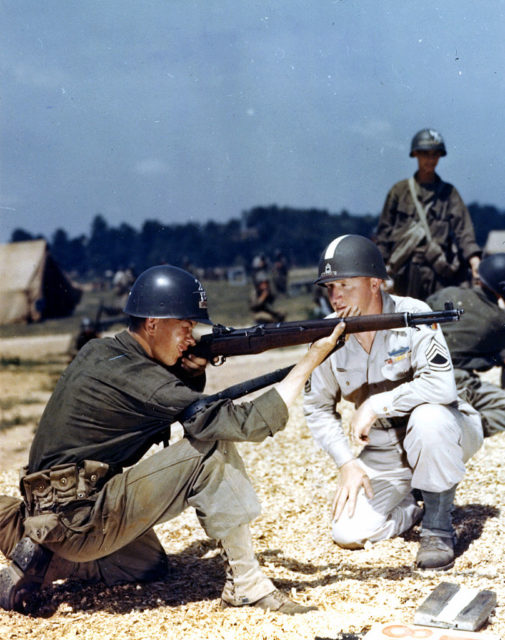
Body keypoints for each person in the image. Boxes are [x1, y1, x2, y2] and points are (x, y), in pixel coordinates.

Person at [0, 264, 343, 615]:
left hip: (51, 510)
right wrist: (311, 360)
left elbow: (156, 397)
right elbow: (242, 423)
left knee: (147, 564)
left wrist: (188, 373)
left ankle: (46, 561)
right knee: (211, 446)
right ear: (153, 324)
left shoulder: (99, 352)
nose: (191, 338)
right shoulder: (141, 377)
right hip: (81, 519)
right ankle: (247, 584)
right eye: (184, 327)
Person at [303, 235, 483, 570]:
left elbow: (441, 387)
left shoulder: (412, 314)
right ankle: (414, 507)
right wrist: (346, 462)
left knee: (429, 419)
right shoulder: (327, 335)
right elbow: (317, 408)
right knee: (347, 533)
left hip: (445, 428)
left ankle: (438, 527)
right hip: (386, 448)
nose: (335, 296)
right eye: (329, 287)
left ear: (375, 283)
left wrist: (375, 405)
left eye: (344, 284)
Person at [375, 128, 481, 300]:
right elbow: (384, 235)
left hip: (438, 272)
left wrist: (474, 260)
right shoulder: (399, 191)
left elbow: (464, 232)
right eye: (425, 154)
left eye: (435, 154)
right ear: (415, 154)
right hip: (404, 272)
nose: (431, 159)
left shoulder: (449, 193)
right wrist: (377, 270)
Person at [427, 253, 505, 437]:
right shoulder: (499, 320)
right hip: (455, 381)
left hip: (417, 374)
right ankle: (471, 426)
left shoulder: (448, 293)